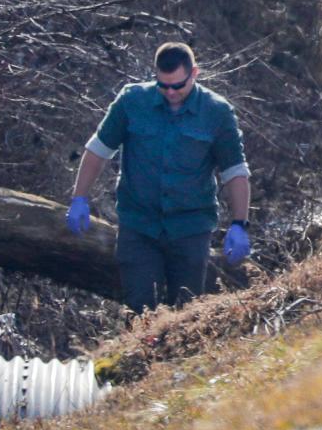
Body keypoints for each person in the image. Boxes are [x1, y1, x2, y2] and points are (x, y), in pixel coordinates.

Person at [65, 42, 251, 312]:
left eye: (178, 85)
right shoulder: (132, 101)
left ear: (194, 73)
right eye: (163, 85)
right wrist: (79, 197)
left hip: (190, 228)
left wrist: (239, 223)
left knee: (187, 312)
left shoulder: (217, 112)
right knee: (139, 310)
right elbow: (98, 150)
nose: (171, 92)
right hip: (139, 226)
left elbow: (234, 171)